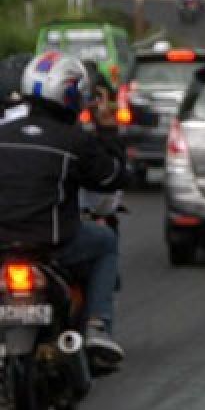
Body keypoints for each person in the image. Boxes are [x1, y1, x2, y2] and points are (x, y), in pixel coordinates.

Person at [0, 53, 128, 371]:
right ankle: (98, 326)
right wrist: (108, 130)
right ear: (72, 94)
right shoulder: (76, 141)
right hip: (54, 245)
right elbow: (113, 177)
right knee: (105, 241)